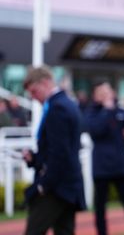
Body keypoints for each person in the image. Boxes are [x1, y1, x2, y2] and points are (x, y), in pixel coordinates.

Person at [22, 66, 86, 235]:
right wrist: (34, 159)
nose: (33, 98)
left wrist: (43, 185)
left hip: (56, 187)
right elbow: (57, 149)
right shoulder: (65, 103)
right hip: (66, 185)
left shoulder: (58, 108)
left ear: (44, 83)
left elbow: (60, 153)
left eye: (34, 92)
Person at [85, 80, 124, 235]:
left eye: (108, 92)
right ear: (96, 96)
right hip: (102, 168)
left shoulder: (121, 111)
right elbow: (95, 132)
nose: (106, 96)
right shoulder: (92, 112)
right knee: (100, 208)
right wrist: (106, 110)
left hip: (121, 166)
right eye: (102, 93)